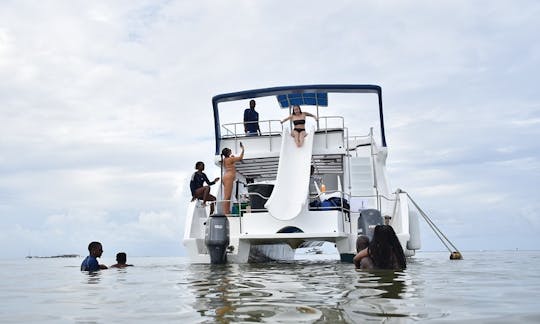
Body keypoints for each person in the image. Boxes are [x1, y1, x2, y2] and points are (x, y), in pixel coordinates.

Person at [221, 142, 245, 214]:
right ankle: (226, 212)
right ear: (228, 153)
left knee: (228, 196)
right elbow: (240, 158)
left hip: (226, 176)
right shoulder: (229, 159)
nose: (231, 151)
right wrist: (243, 149)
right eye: (229, 150)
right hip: (229, 177)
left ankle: (227, 211)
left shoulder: (226, 159)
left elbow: (230, 162)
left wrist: (232, 158)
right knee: (227, 196)